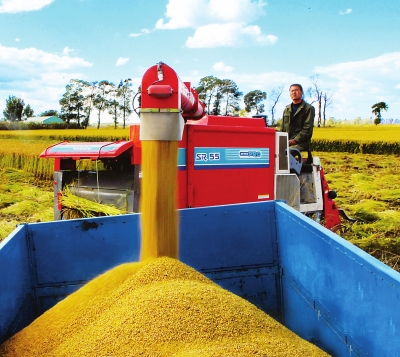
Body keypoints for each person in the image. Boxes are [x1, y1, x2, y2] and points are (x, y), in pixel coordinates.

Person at [281, 84, 315, 152]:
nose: (294, 92)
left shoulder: (308, 108)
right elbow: (283, 128)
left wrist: (295, 140)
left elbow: (307, 129)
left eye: (296, 90)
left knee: (287, 152)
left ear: (302, 92)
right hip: (287, 142)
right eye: (292, 91)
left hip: (301, 143)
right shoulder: (287, 109)